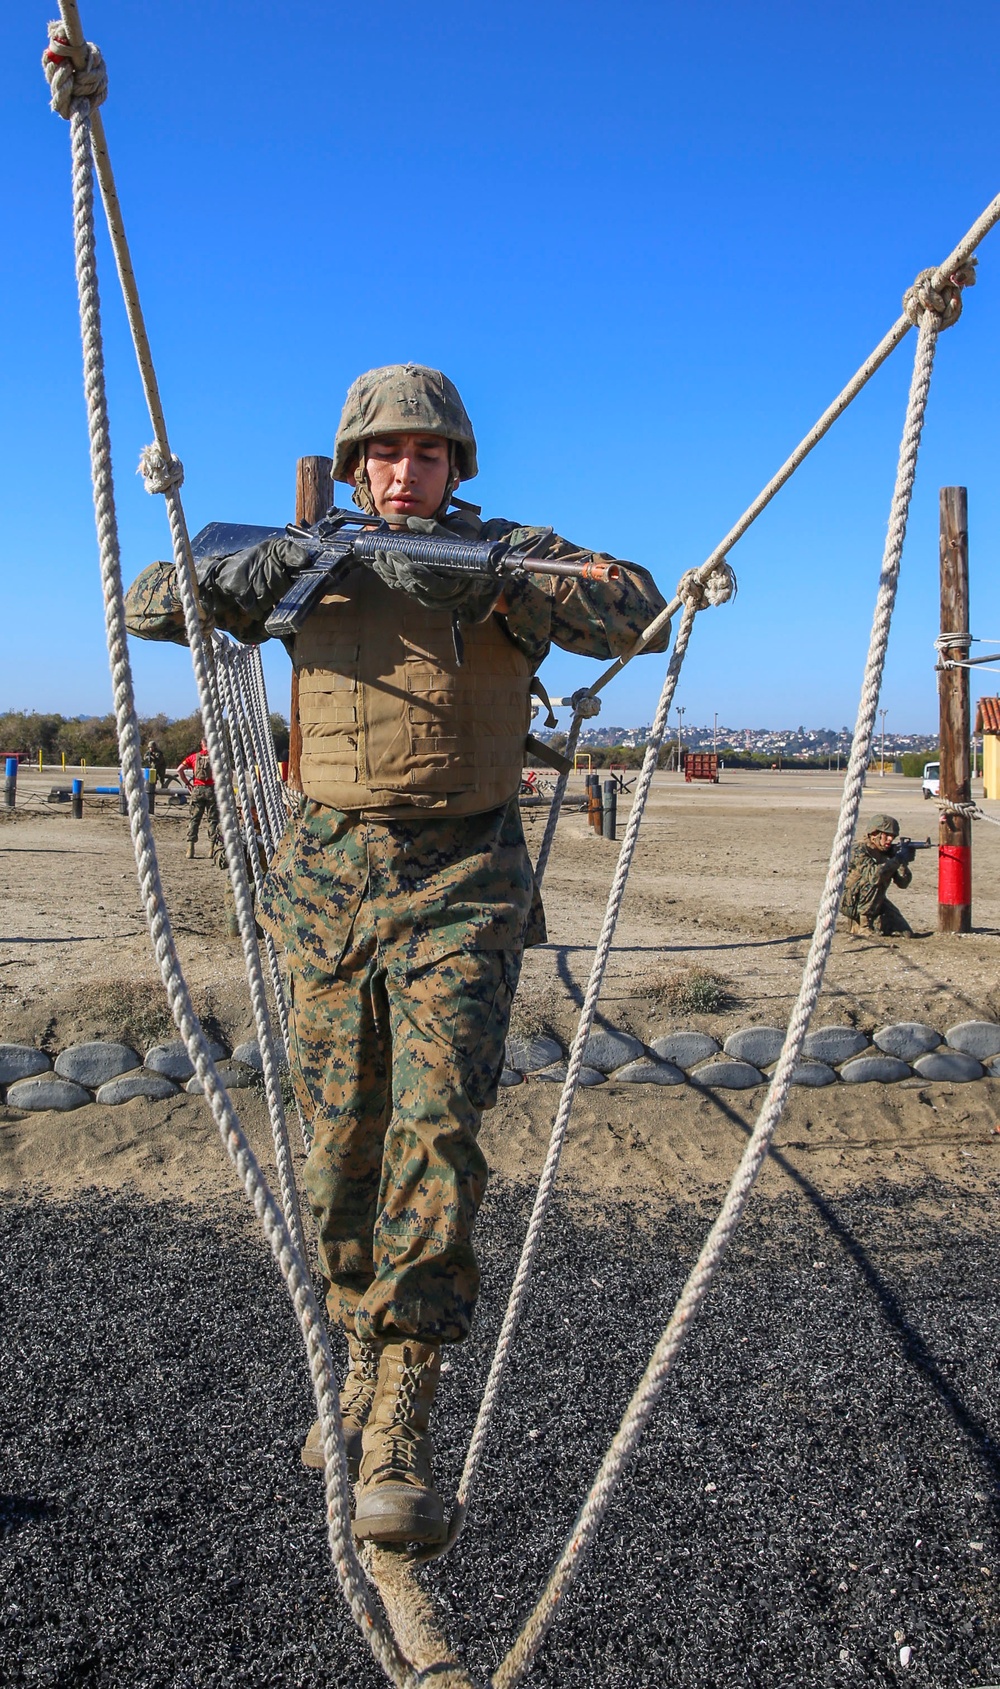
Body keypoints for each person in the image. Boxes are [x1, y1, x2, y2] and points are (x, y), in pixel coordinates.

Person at [123, 363, 671, 1546]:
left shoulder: (509, 552)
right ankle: (359, 1357)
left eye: (425, 455)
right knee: (336, 1153)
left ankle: (405, 1402)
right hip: (323, 884)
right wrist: (256, 569)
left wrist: (510, 580)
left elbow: (636, 606)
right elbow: (148, 603)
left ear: (455, 464)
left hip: (462, 884)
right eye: (383, 455)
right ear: (357, 463)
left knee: (436, 1130)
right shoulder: (310, 555)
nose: (403, 473)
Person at [841, 813, 913, 936]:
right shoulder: (858, 849)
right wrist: (896, 860)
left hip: (877, 900)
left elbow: (903, 884)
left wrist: (902, 863)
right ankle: (863, 925)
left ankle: (873, 923)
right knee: (872, 881)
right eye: (887, 835)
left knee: (905, 933)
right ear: (874, 834)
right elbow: (874, 876)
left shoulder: (886, 853)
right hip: (852, 902)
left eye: (893, 836)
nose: (890, 839)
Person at [177, 739, 221, 861]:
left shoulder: (193, 757)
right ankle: (212, 849)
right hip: (211, 790)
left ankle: (190, 849)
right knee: (213, 819)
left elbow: (179, 769)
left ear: (201, 744)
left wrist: (187, 783)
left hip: (197, 790)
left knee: (194, 819)